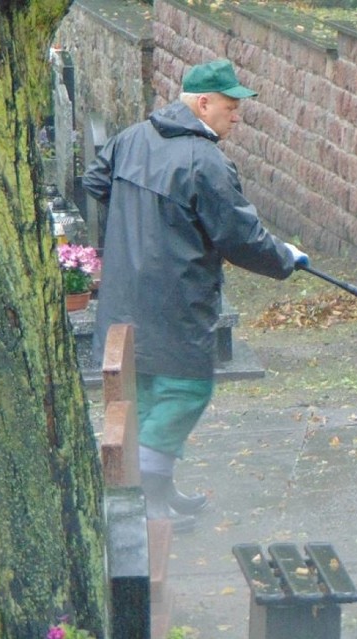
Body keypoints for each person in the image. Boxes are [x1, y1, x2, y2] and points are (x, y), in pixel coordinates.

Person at [83, 59, 309, 532]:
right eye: (231, 105)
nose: (237, 115)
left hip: (123, 298)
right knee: (186, 390)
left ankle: (157, 490)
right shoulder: (205, 161)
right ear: (202, 103)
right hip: (175, 305)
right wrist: (285, 258)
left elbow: (97, 183)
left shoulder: (131, 138)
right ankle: (149, 500)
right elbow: (240, 237)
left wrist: (141, 222)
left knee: (142, 395)